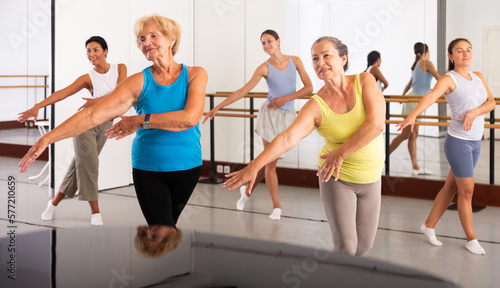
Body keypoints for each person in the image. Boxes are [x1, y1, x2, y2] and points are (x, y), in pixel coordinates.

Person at [19, 15, 207, 230]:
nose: (147, 42)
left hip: (189, 167)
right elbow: (92, 115)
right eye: (142, 39)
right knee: (162, 229)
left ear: (172, 40)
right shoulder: (137, 82)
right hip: (149, 169)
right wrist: (46, 138)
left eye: (154, 36)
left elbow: (189, 118)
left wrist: (140, 120)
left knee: (167, 230)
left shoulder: (195, 74)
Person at [224, 36, 385, 255]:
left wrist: (340, 152)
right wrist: (254, 166)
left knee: (363, 248)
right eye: (315, 59)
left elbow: (375, 125)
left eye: (326, 55)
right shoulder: (315, 105)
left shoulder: (365, 81)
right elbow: (287, 138)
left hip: (371, 177)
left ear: (343, 58)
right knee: (346, 248)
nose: (321, 63)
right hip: (337, 178)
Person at [397, 38, 495, 255]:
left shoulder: (477, 76)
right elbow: (431, 96)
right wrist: (413, 114)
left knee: (451, 187)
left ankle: (428, 225)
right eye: (459, 51)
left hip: (475, 142)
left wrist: (474, 112)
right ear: (451, 56)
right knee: (467, 191)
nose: (465, 54)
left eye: (468, 50)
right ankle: (471, 239)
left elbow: (491, 102)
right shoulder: (450, 79)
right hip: (458, 142)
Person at [202, 29, 313, 220]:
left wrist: (284, 99)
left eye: (269, 41)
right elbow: (243, 91)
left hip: (288, 116)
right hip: (269, 116)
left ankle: (246, 192)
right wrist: (217, 107)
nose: (266, 45)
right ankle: (277, 207)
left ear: (278, 41)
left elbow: (309, 88)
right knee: (271, 163)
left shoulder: (295, 61)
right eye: (263, 43)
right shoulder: (264, 68)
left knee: (270, 161)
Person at [18, 36, 127, 226]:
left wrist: (95, 101)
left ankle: (52, 203)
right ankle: (95, 212)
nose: (91, 54)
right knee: (90, 166)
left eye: (95, 50)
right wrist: (38, 105)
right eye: (88, 51)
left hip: (105, 127)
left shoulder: (120, 69)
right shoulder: (88, 78)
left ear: (105, 51)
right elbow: (63, 93)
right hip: (85, 127)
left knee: (78, 167)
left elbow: (122, 94)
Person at [389, 42, 440, 175]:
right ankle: (382, 158)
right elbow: (439, 79)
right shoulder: (426, 63)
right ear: (427, 51)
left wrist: (403, 95)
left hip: (417, 100)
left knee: (413, 135)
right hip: (415, 101)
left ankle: (415, 167)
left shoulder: (416, 64)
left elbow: (410, 83)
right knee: (406, 134)